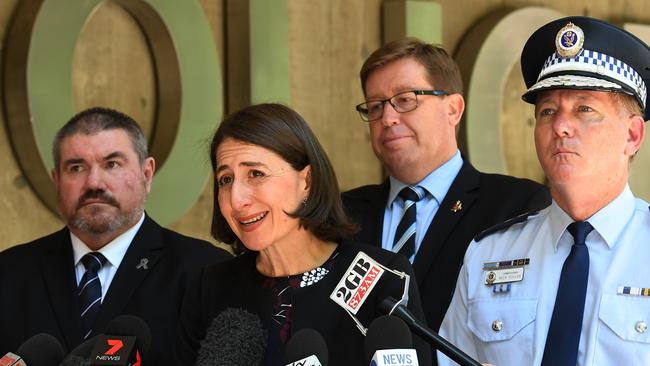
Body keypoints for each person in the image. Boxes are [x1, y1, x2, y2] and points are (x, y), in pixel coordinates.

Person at [439, 16, 650, 366]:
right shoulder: (488, 254)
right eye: (547, 111)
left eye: (585, 109)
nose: (561, 126)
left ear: (632, 136)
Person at [176, 103, 432, 365]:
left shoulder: (383, 277)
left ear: (306, 181)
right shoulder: (209, 289)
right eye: (226, 180)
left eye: (256, 174)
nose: (237, 199)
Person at [342, 38, 551, 333]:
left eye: (405, 99)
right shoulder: (340, 215)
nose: (387, 118)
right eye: (375, 107)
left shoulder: (517, 206)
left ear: (453, 109)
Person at [0, 107, 231, 365]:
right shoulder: (8, 273)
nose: (94, 183)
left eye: (112, 164)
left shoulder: (208, 273)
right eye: (76, 168)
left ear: (147, 174)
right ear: (56, 181)